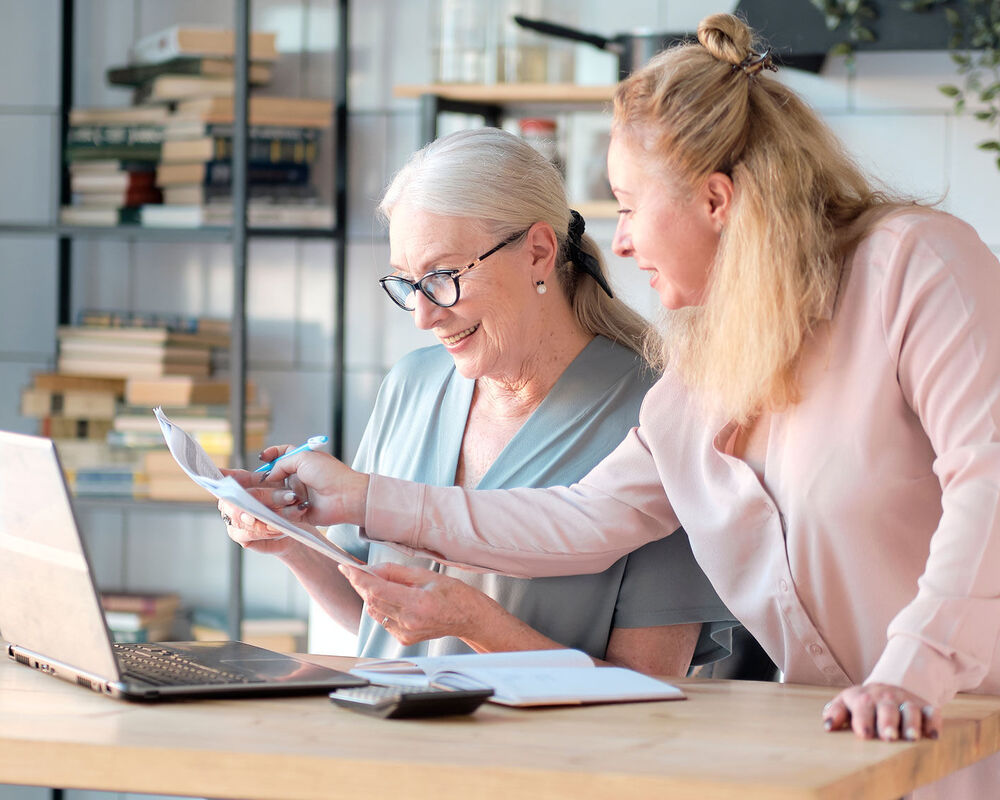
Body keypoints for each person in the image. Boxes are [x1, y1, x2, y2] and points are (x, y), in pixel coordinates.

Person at [231, 13, 1000, 798]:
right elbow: (576, 520)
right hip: (827, 753)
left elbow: (990, 489)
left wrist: (910, 673)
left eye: (629, 205)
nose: (619, 241)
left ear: (715, 200)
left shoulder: (917, 266)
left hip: (963, 739)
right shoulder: (700, 378)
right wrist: (359, 500)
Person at [221, 127, 735, 675]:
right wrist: (293, 540)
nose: (423, 315)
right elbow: (382, 624)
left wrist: (476, 624)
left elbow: (647, 688)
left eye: (442, 276)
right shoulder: (411, 385)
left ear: (538, 252)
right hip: (389, 744)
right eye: (407, 283)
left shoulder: (657, 412)